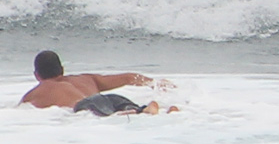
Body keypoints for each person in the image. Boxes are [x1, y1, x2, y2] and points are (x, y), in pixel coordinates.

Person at [19, 50, 174, 116]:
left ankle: (145, 111)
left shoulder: (35, 94)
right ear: (62, 69)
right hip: (111, 98)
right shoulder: (86, 78)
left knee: (113, 116)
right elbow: (128, 78)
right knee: (131, 110)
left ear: (37, 75)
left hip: (88, 106)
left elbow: (19, 113)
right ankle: (152, 109)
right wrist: (154, 83)